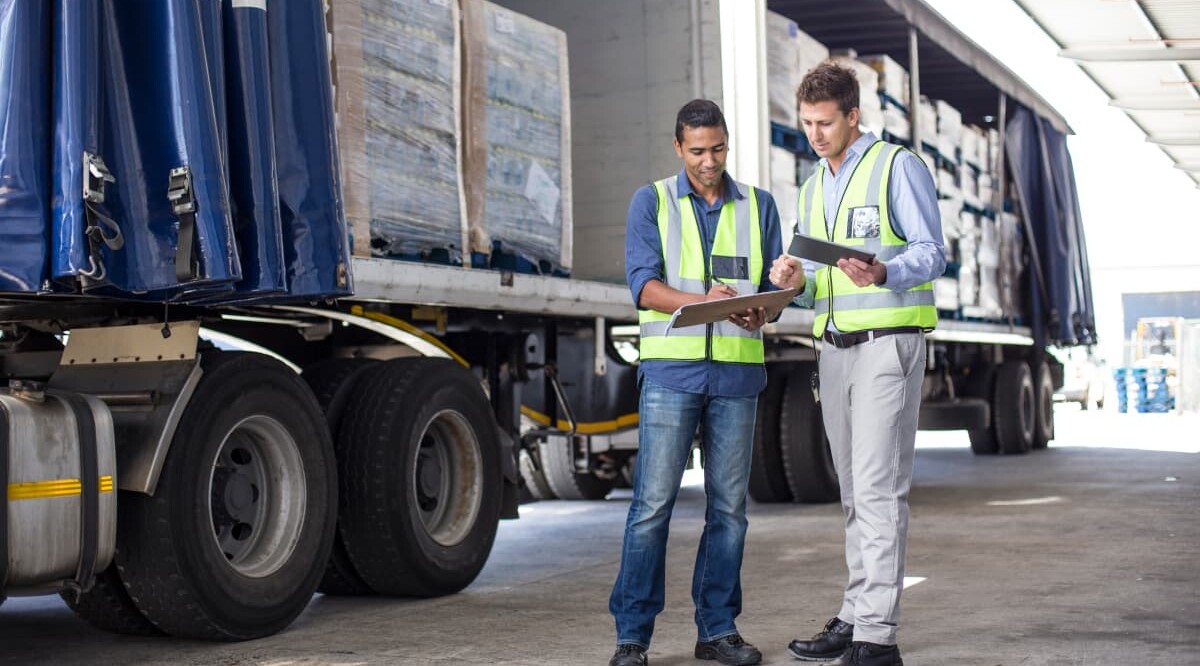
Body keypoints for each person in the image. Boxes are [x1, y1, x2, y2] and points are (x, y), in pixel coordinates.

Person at [769, 62, 944, 666]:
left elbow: (931, 252)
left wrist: (886, 270)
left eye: (825, 123)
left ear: (853, 116)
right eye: (807, 123)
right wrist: (793, 281)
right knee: (853, 493)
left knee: (877, 490)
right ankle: (854, 613)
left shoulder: (897, 167)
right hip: (836, 349)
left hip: (887, 345)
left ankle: (876, 637)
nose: (814, 134)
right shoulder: (813, 185)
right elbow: (820, 284)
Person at [609, 99, 784, 666]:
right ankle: (631, 637)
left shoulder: (759, 205)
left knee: (730, 509)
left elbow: (771, 293)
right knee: (651, 507)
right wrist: (703, 304)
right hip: (671, 375)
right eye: (698, 151)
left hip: (736, 377)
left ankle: (718, 631)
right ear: (679, 147)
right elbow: (644, 287)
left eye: (719, 149)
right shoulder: (652, 200)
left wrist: (764, 309)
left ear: (728, 142)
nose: (710, 161)